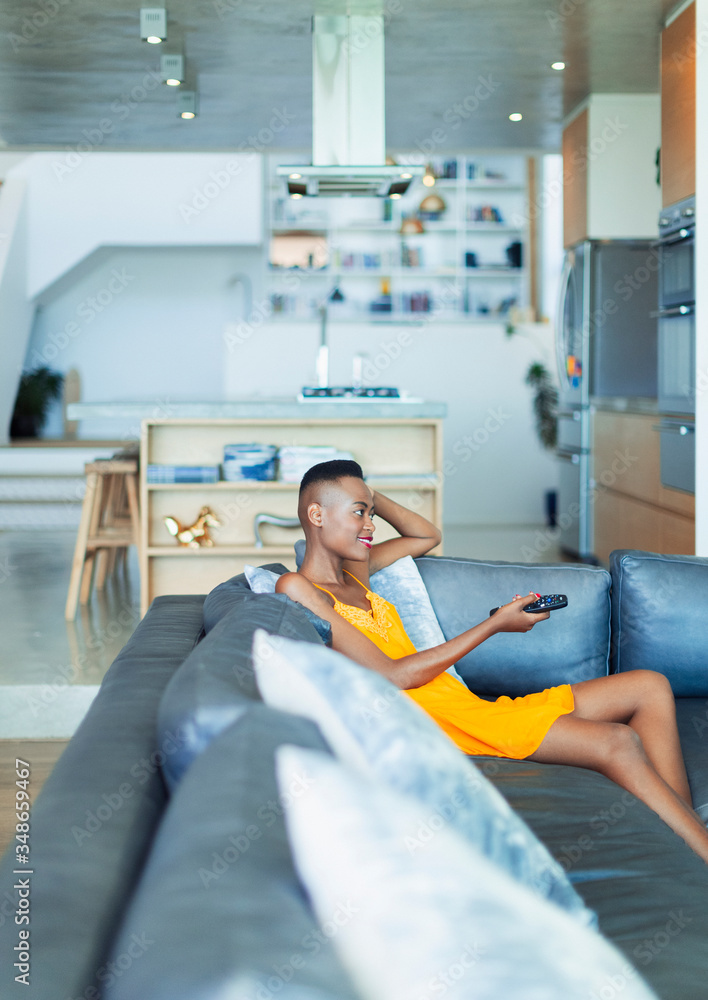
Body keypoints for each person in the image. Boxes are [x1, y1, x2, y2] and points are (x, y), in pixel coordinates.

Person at [275, 459, 708, 865]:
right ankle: (697, 846)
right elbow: (394, 676)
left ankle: (685, 834)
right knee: (617, 742)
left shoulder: (357, 572)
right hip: (439, 723)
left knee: (649, 685)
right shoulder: (297, 586)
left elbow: (426, 535)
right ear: (316, 516)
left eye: (370, 514)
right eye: (359, 514)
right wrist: (495, 625)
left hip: (469, 707)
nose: (370, 526)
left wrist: (368, 495)